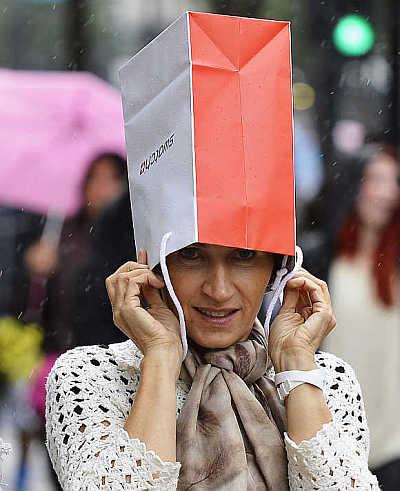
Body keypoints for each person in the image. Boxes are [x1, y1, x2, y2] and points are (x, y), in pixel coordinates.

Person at [323, 144, 400, 490]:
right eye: (376, 179)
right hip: (336, 440)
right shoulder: (324, 262)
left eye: (394, 181)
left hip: (393, 445)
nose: (385, 192)